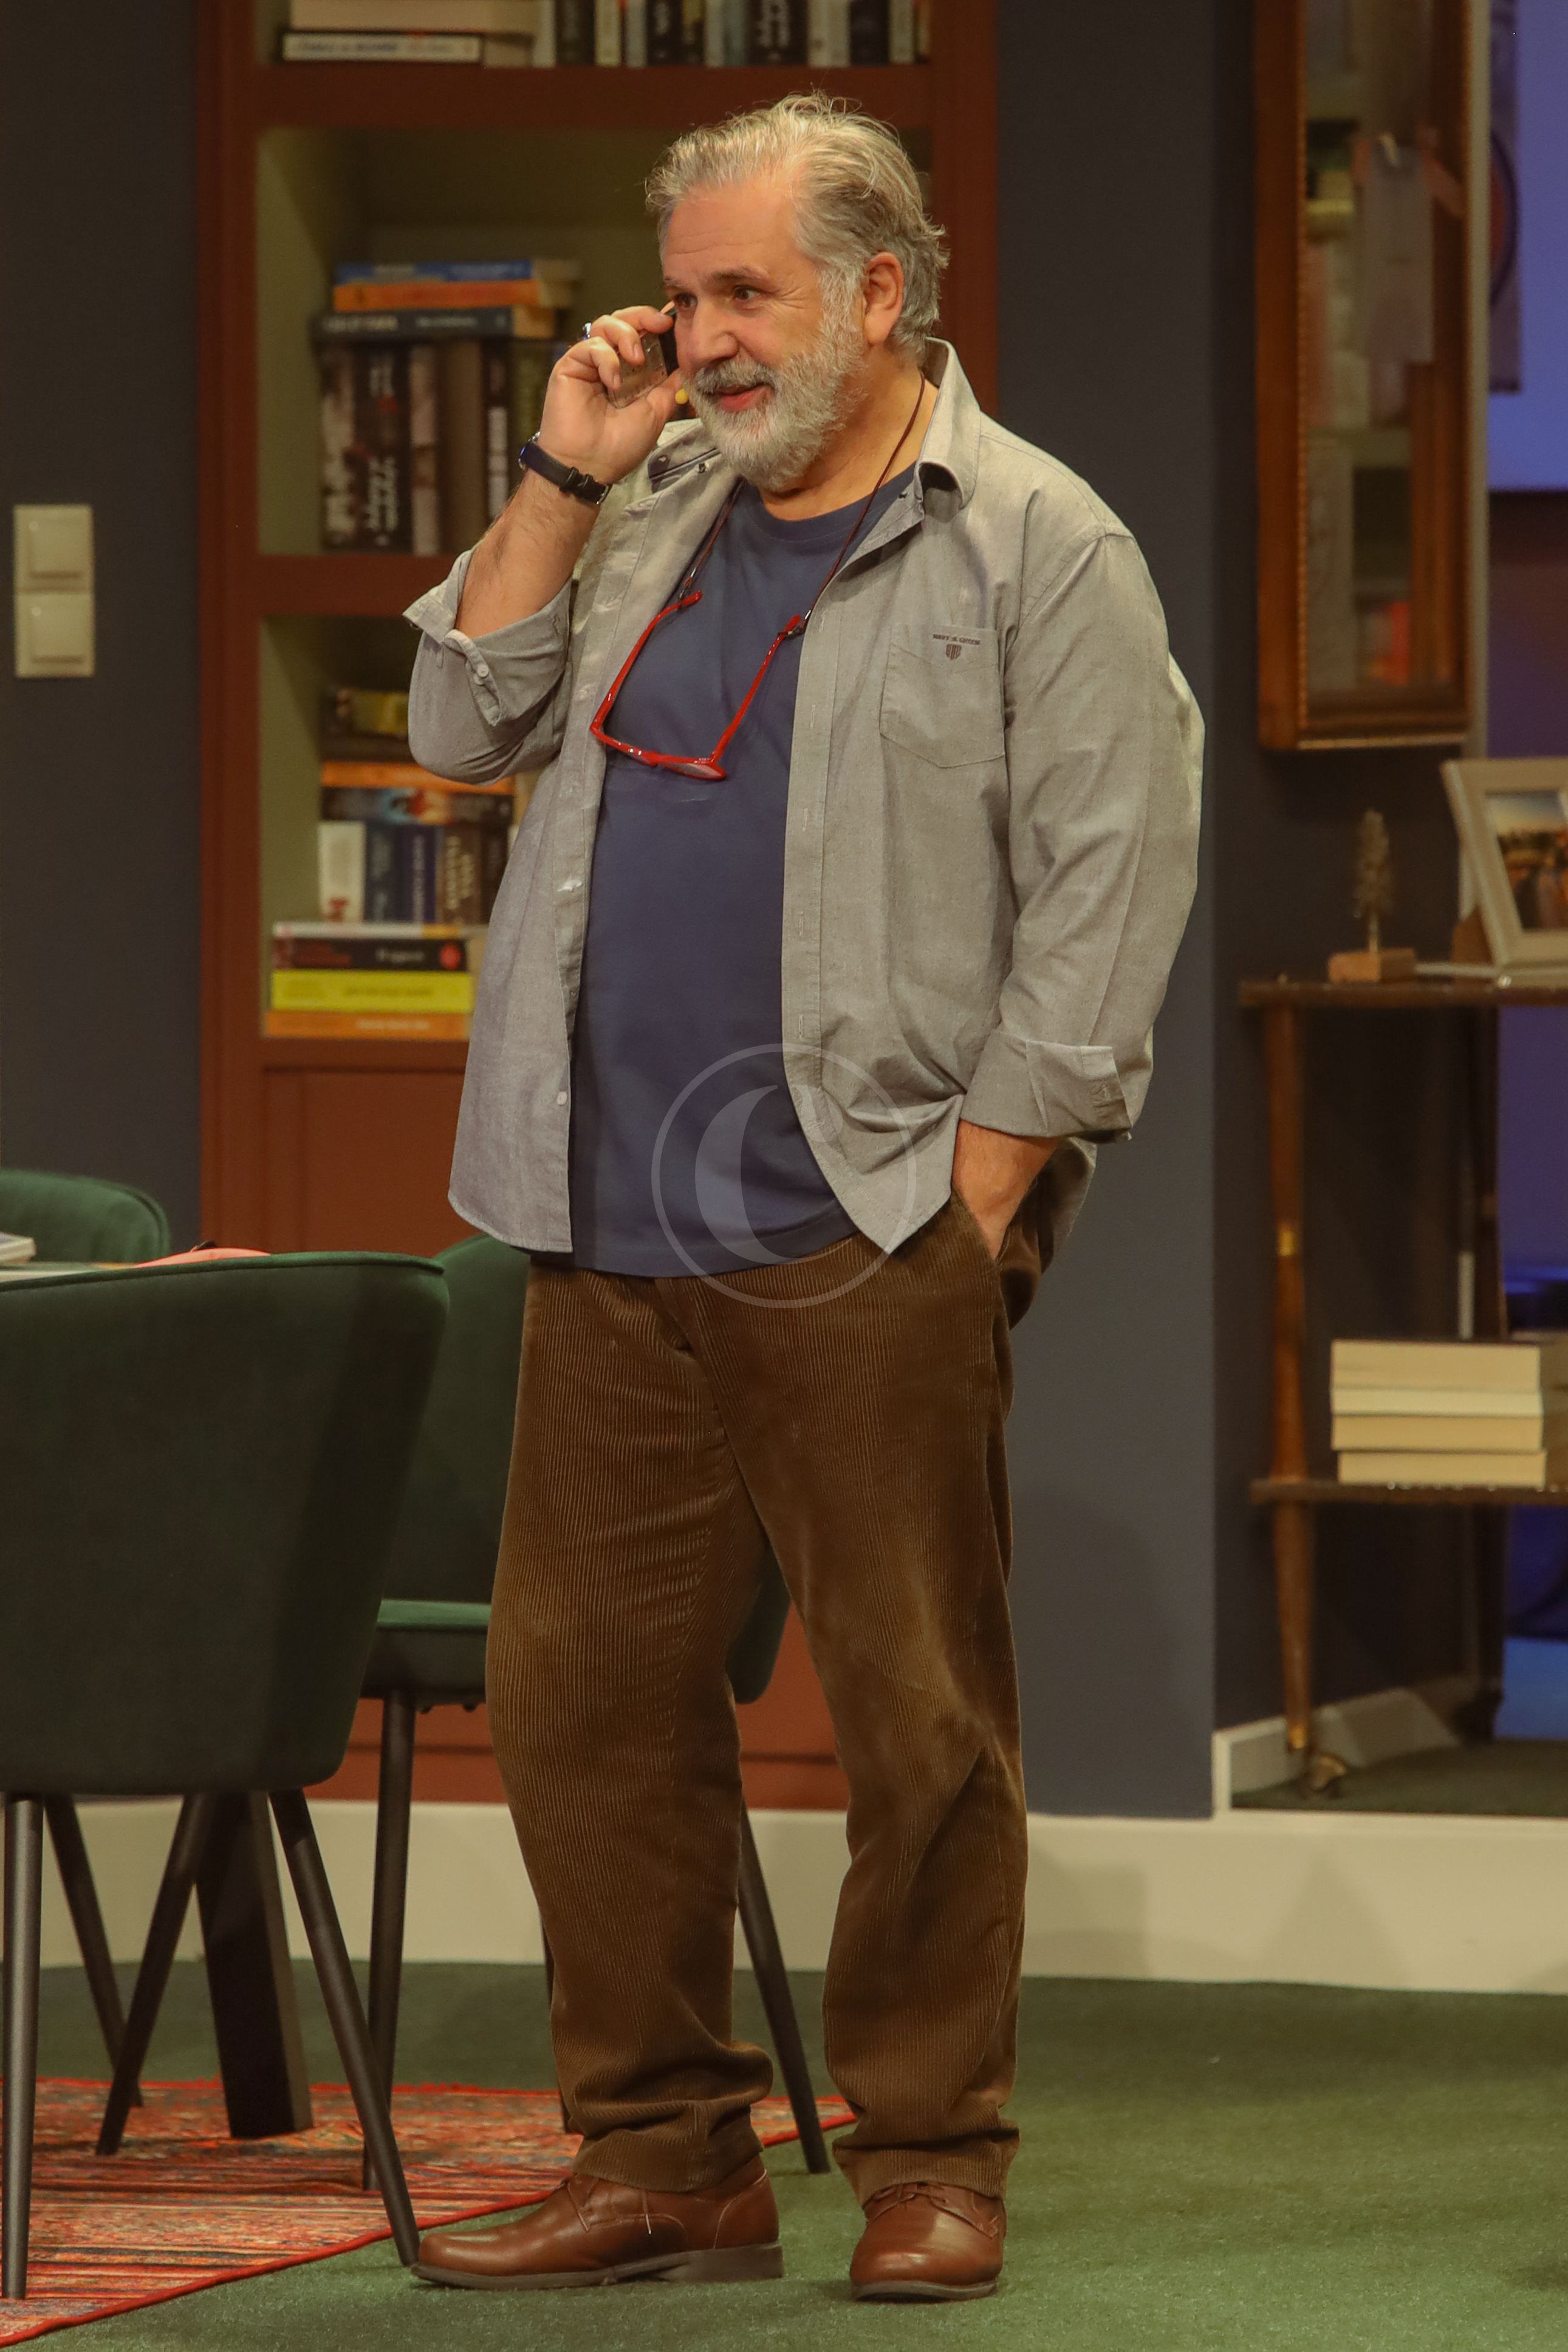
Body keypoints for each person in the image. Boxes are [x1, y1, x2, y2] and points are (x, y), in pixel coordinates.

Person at [405, 93, 1201, 2303]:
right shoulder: (649, 499)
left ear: (880, 292)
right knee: (577, 1702)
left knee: (917, 1715)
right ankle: (667, 2156)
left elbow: (1111, 889)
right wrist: (562, 469)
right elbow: (458, 736)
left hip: (862, 1212)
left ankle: (933, 2157)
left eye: (743, 293)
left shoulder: (1040, 543)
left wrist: (980, 1189)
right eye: (684, 296)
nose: (701, 338)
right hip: (600, 1216)